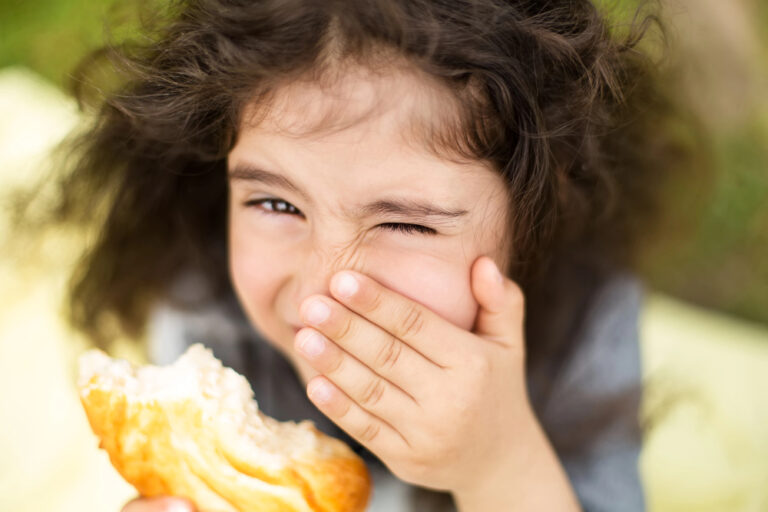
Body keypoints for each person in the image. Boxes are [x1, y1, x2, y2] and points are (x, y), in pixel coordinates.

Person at [42, 0, 698, 510]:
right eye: (276, 205)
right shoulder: (205, 303)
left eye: (405, 224)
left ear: (535, 214)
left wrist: (499, 463)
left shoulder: (588, 313)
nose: (321, 293)